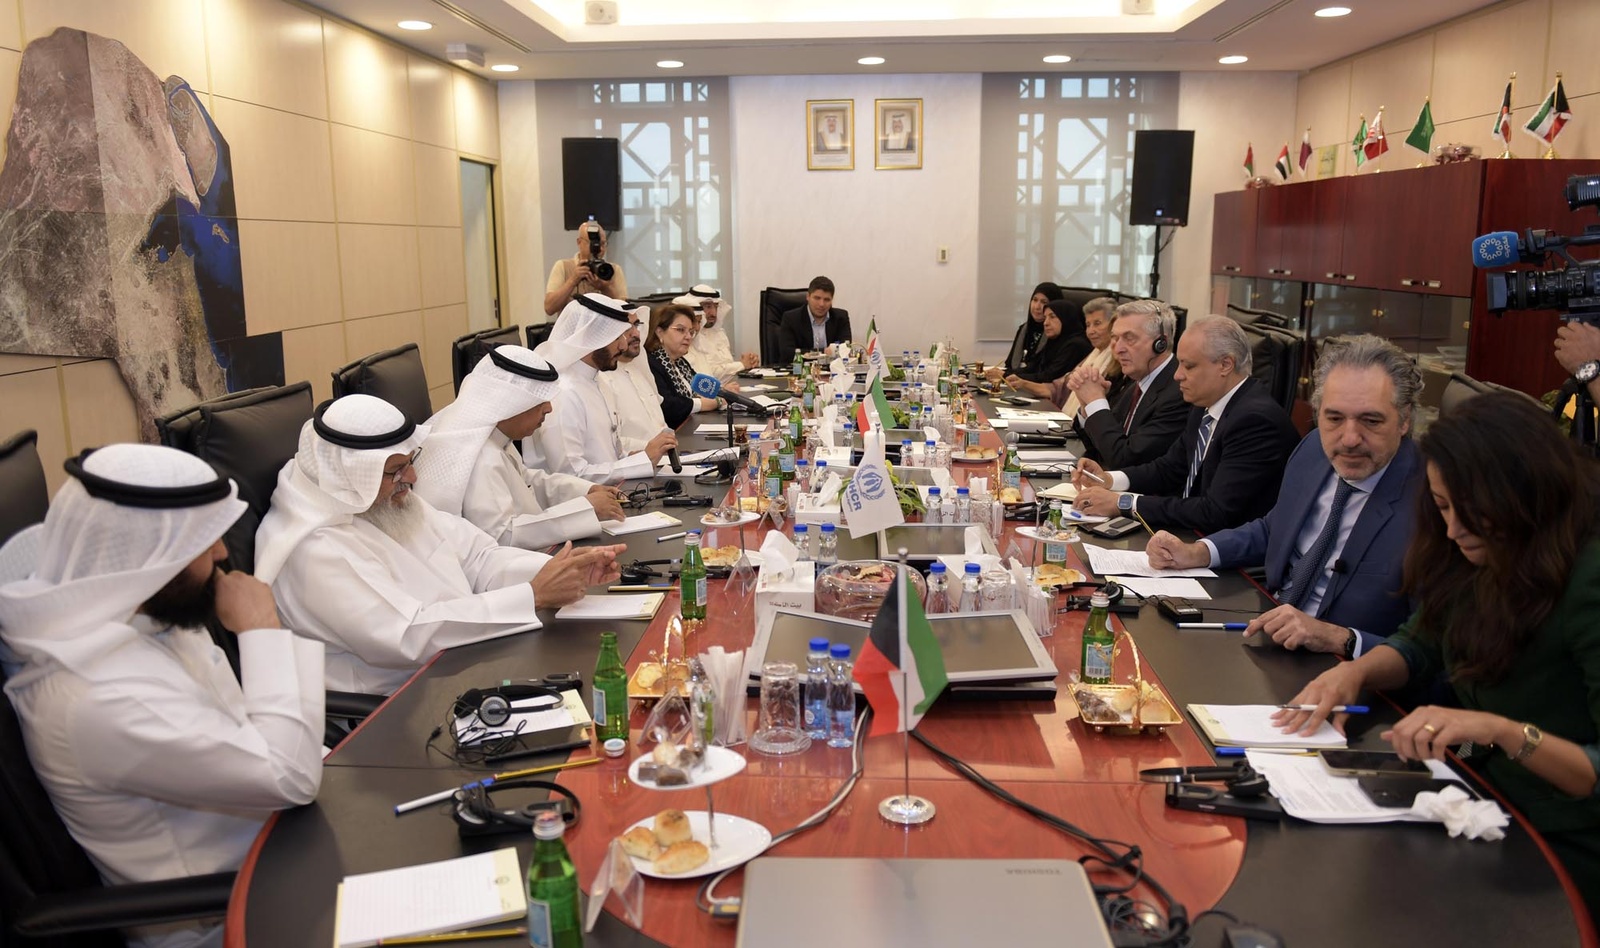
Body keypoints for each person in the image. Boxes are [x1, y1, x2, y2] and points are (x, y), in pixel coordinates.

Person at [1275, 393, 1600, 919]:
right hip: (1477, 804)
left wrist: (1502, 730)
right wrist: (1354, 672)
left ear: (1526, 495)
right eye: (1443, 507)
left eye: (1469, 512)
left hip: (1563, 847)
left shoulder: (1588, 579)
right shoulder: (1473, 549)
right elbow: (1421, 642)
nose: (1452, 530)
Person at [0, 444, 324, 948]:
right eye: (203, 540)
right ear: (150, 559)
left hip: (288, 851)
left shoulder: (147, 613)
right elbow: (288, 777)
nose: (221, 553)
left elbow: (246, 730)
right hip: (228, 914)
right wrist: (260, 629)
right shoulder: (95, 696)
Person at [254, 394, 624, 694]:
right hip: (394, 706)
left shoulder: (385, 501)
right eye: (395, 470)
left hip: (458, 662)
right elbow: (406, 635)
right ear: (349, 476)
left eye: (410, 462)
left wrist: (557, 571)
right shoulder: (312, 548)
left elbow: (478, 556)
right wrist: (533, 595)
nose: (411, 478)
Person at [1145, 335, 1426, 656]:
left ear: (1404, 420)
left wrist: (1340, 638)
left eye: (1371, 420)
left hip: (1347, 668)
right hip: (1269, 629)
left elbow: (1434, 652)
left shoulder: (1432, 504)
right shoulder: (1313, 449)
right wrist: (1198, 552)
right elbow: (1274, 527)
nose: (1349, 439)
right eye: (1333, 418)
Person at [1072, 314, 1298, 534]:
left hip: (1227, 555)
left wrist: (1123, 502)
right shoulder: (1204, 404)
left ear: (1225, 365)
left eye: (1188, 366)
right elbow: (1169, 468)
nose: (1178, 375)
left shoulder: (1255, 421)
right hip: (1188, 535)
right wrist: (1110, 480)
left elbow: (1215, 511)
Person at [412, 345, 626, 550]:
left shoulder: (495, 436)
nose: (549, 409)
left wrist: (585, 491)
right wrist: (585, 509)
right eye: (540, 401)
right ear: (510, 402)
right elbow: (504, 536)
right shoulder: (478, 456)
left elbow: (527, 482)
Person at [524, 293, 677, 482]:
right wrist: (641, 461)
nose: (623, 346)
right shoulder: (562, 392)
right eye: (616, 337)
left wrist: (640, 455)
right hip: (579, 506)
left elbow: (609, 454)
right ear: (590, 338)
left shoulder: (600, 380)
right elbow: (571, 475)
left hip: (614, 493)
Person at [1070, 299, 1189, 468]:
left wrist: (1096, 402)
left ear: (1160, 343)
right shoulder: (1136, 384)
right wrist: (1086, 405)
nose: (1117, 349)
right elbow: (1099, 449)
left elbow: (1125, 459)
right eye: (1115, 338)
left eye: (1129, 338)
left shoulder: (1179, 393)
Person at [600, 303, 675, 455]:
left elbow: (659, 425)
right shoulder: (601, 379)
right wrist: (653, 446)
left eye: (636, 325)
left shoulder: (638, 369)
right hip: (634, 467)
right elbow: (610, 443)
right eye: (626, 328)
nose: (636, 334)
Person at [647, 303, 725, 429]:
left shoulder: (680, 362)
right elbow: (668, 405)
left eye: (691, 332)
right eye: (680, 330)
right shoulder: (652, 363)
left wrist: (720, 396)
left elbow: (701, 390)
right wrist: (703, 404)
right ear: (660, 332)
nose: (688, 337)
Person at [543, 221, 628, 316]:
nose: (599, 249)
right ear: (579, 242)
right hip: (573, 329)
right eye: (593, 244)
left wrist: (605, 288)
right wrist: (572, 280)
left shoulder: (612, 270)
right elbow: (549, 308)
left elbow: (624, 311)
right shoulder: (563, 266)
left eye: (603, 244)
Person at [1003, 299, 1092, 386]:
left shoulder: (1076, 345)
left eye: (1052, 317)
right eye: (1045, 318)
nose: (1045, 323)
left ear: (1066, 319)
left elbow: (1048, 377)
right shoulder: (1055, 340)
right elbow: (1033, 367)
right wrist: (1003, 373)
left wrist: (1005, 376)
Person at [681, 284, 758, 381]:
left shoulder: (719, 332)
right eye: (707, 307)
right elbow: (707, 374)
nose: (713, 313)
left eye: (716, 307)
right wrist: (742, 364)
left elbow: (725, 367)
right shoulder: (689, 337)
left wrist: (749, 362)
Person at [778, 276, 851, 363]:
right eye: (817, 298)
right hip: (801, 371)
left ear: (832, 300)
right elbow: (787, 353)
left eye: (827, 300)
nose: (821, 304)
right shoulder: (791, 318)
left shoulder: (841, 317)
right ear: (808, 296)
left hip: (832, 371)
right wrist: (823, 352)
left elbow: (845, 349)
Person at [1002, 282, 1062, 376]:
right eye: (1035, 300)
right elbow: (1009, 364)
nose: (1037, 307)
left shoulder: (1054, 333)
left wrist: (1006, 375)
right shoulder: (1024, 329)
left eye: (1044, 302)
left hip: (1034, 385)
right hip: (1013, 383)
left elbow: (1040, 371)